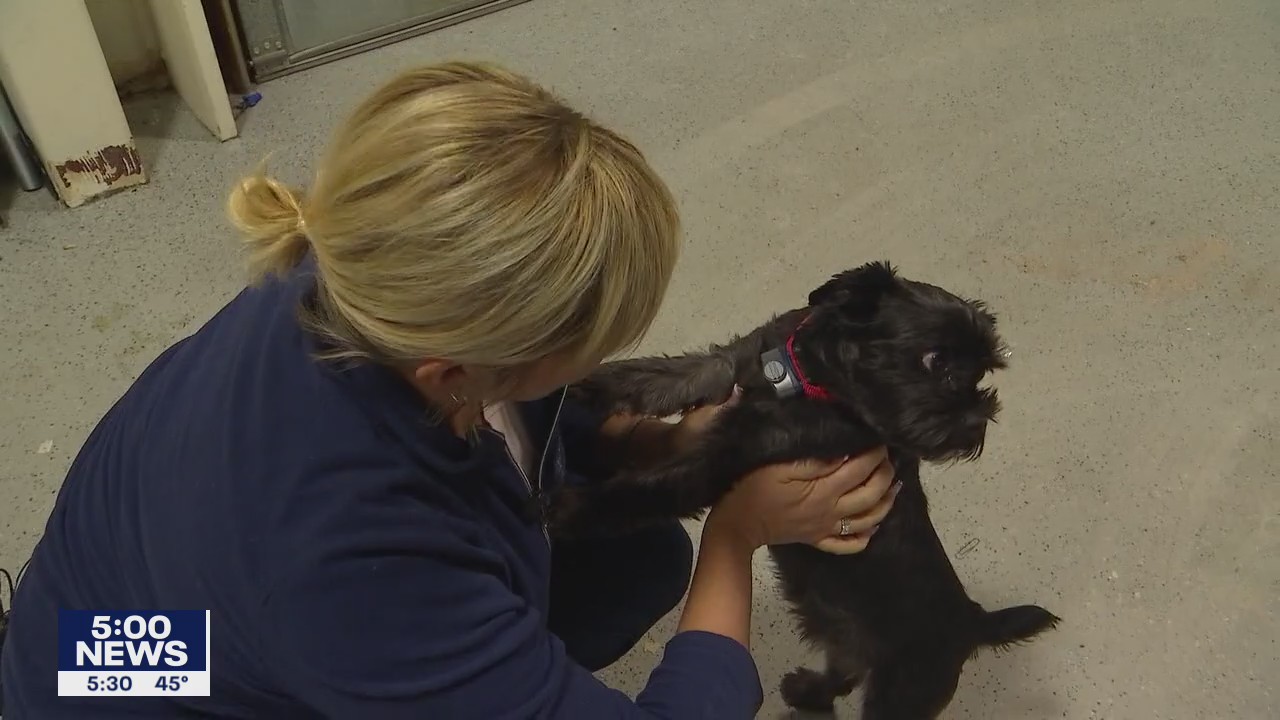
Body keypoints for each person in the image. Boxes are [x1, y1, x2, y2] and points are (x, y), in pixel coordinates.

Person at [0, 61, 897, 719]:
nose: (599, 359)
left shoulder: (365, 254)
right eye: (580, 344)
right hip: (130, 684)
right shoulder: (353, 570)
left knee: (636, 555)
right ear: (455, 374)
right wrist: (738, 536)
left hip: (101, 632)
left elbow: (529, 413)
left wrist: (671, 450)